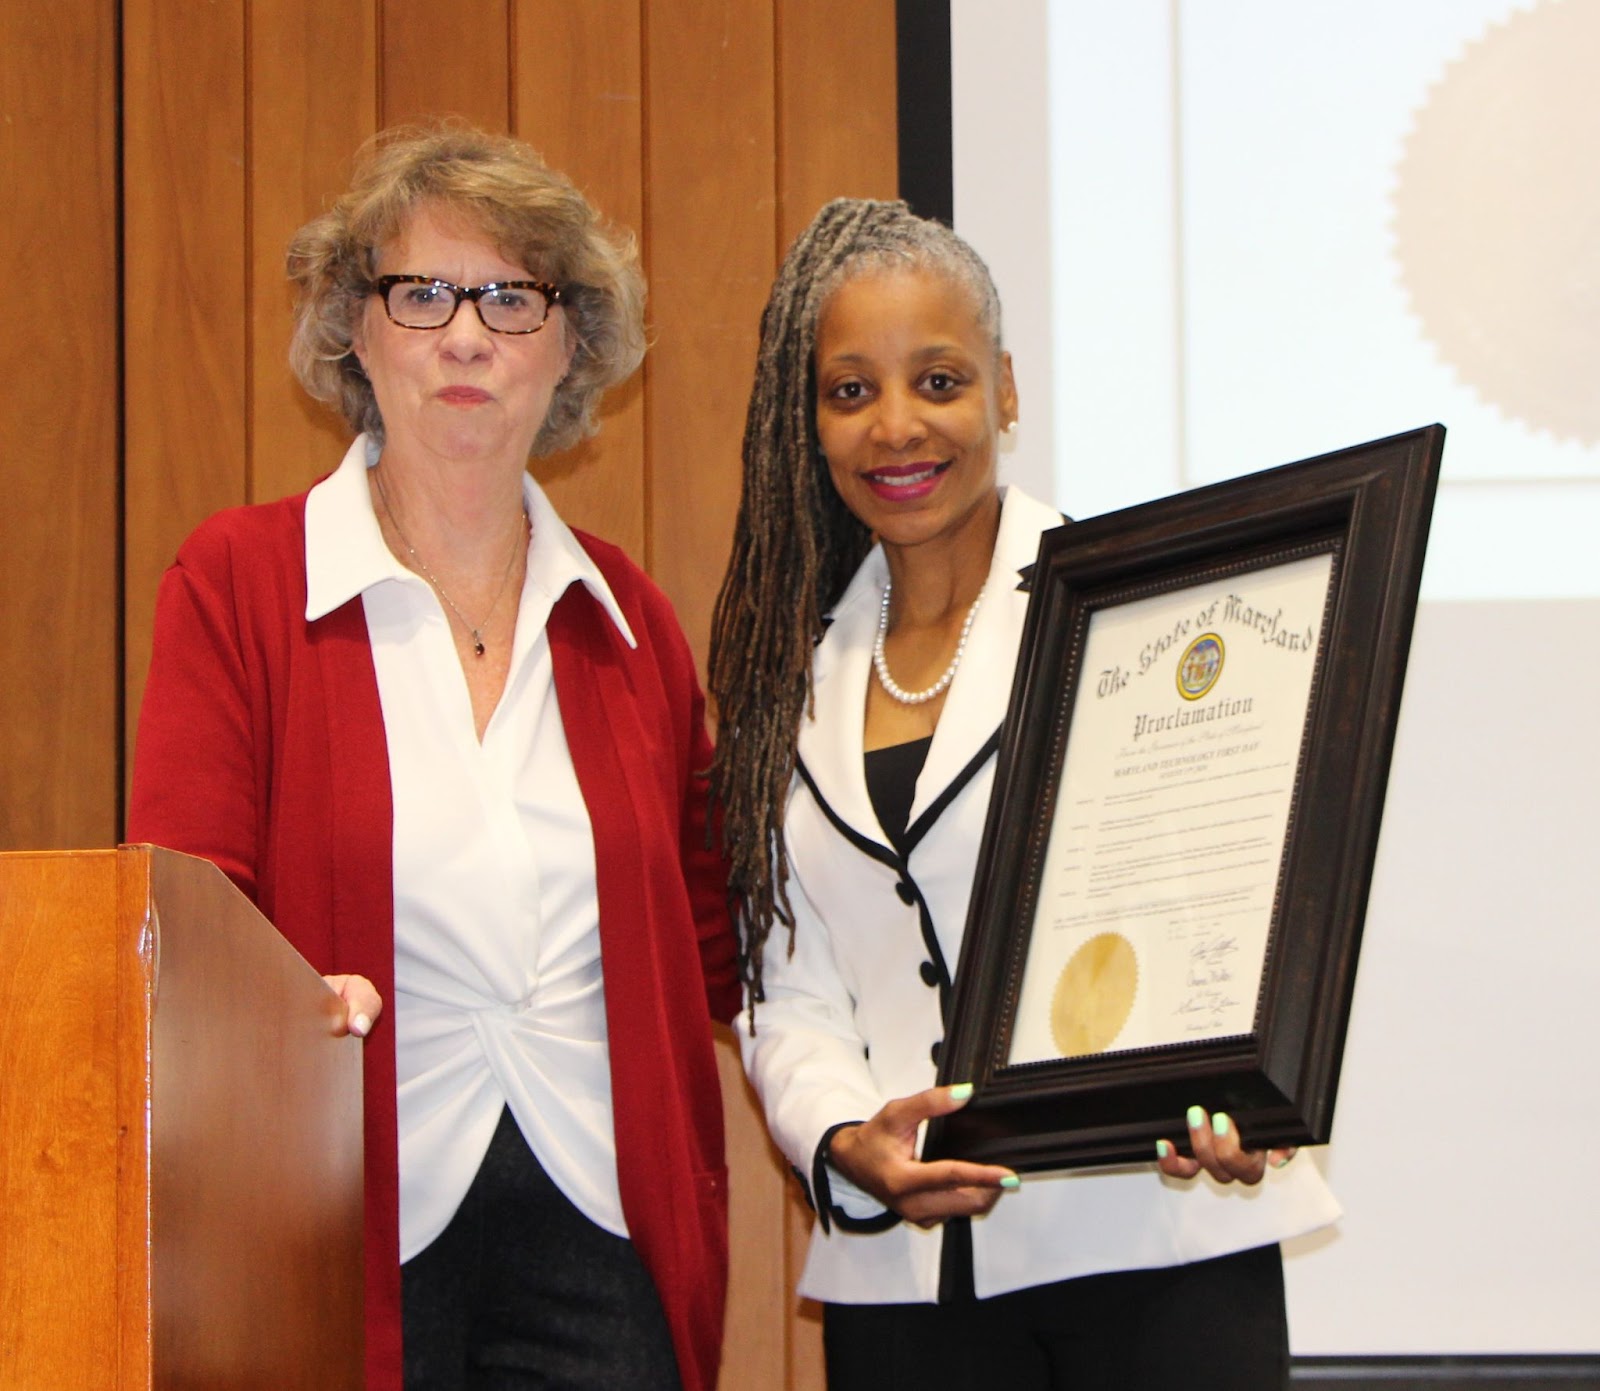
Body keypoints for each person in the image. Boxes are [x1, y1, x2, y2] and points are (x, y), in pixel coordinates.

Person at [128, 123, 739, 1391]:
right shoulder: (241, 583)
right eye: (423, 293)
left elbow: (712, 938)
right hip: (339, 1220)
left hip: (604, 1222)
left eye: (514, 298)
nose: (467, 336)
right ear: (357, 328)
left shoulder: (630, 622)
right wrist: (283, 1014)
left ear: (572, 345)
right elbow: (180, 914)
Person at [708, 199, 1341, 1390]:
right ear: (812, 423)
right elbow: (783, 987)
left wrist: (1239, 1087)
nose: (896, 426)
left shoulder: (1148, 619)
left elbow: (1225, 892)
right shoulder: (781, 686)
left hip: (1151, 1239)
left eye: (937, 378)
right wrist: (846, 1137)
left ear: (1003, 386)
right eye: (849, 392)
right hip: (905, 1286)